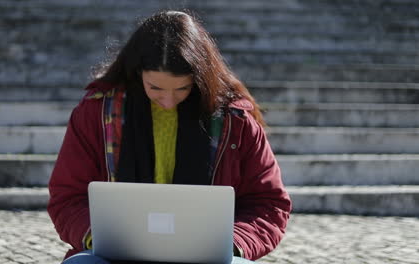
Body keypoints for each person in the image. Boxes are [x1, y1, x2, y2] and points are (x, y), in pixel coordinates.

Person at [47, 10, 291, 264]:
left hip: (209, 258)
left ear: (200, 78)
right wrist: (97, 237)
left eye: (182, 88)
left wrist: (232, 244)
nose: (167, 101)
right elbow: (67, 196)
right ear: (137, 71)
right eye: (155, 88)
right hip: (113, 255)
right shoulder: (96, 112)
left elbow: (269, 203)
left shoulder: (234, 120)